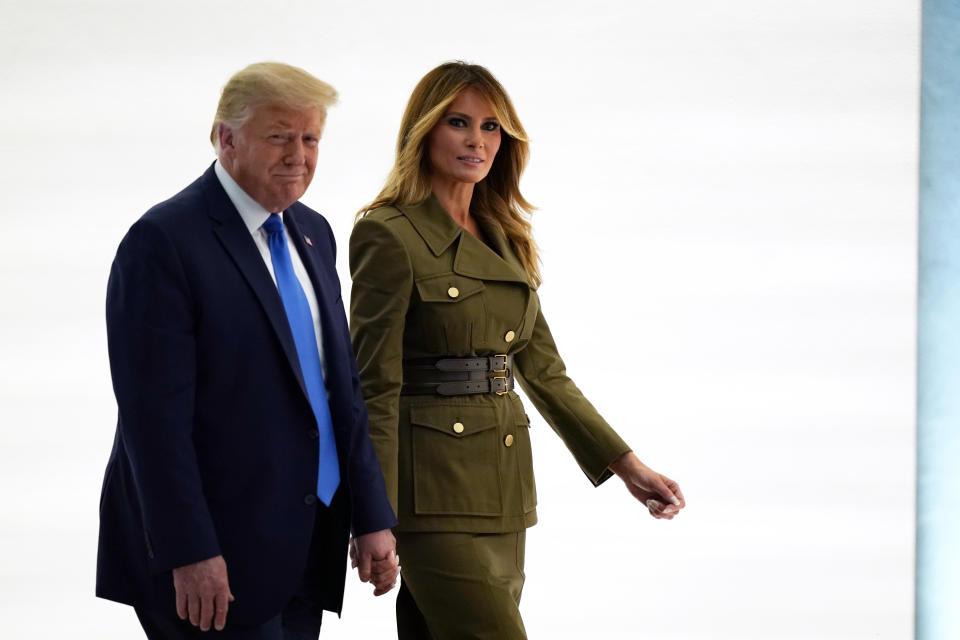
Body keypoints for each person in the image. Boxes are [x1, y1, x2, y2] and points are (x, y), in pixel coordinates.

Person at [348, 61, 687, 639]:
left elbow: (545, 371)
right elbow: (373, 386)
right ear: (425, 131)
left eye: (490, 127)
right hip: (429, 496)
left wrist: (626, 466)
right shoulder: (389, 233)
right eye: (459, 123)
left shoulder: (505, 234)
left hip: (503, 488)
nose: (477, 140)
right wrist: (370, 512)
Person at [96, 62, 399, 639]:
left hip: (307, 540)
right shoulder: (162, 242)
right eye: (280, 136)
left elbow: (341, 389)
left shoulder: (314, 231)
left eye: (311, 138)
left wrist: (372, 515)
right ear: (226, 138)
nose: (298, 155)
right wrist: (190, 551)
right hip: (213, 558)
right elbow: (152, 422)